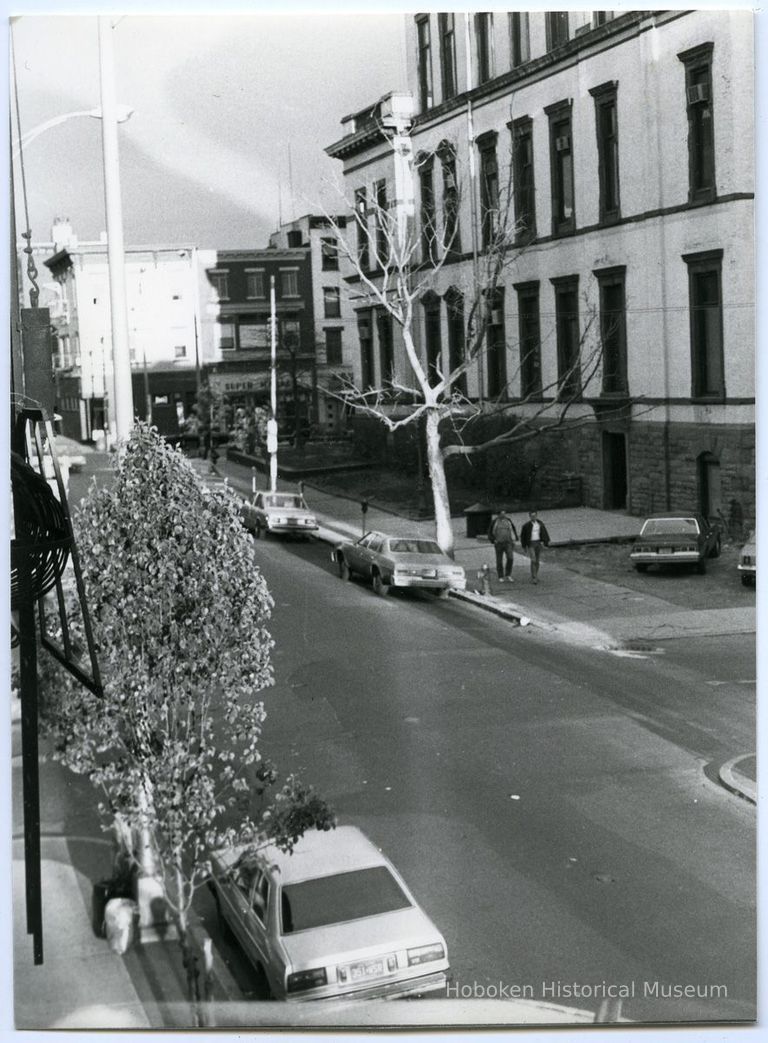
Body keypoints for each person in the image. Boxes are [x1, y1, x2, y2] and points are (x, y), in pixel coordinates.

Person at [488, 508, 519, 583]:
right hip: (499, 543)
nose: (504, 515)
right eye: (502, 514)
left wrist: (514, 538)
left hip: (508, 542)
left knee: (510, 558)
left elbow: (512, 529)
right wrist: (493, 540)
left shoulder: (508, 521)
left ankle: (508, 574)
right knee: (499, 560)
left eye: (504, 514)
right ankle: (500, 576)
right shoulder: (495, 522)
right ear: (498, 515)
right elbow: (490, 532)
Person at [520, 509, 551, 583]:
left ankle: (535, 575)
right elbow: (523, 536)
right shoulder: (526, 525)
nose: (533, 517)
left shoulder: (540, 524)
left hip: (538, 542)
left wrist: (545, 542)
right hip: (531, 543)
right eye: (532, 516)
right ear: (530, 516)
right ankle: (534, 577)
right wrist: (524, 546)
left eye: (534, 516)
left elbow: (544, 533)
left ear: (536, 516)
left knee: (537, 560)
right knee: (533, 559)